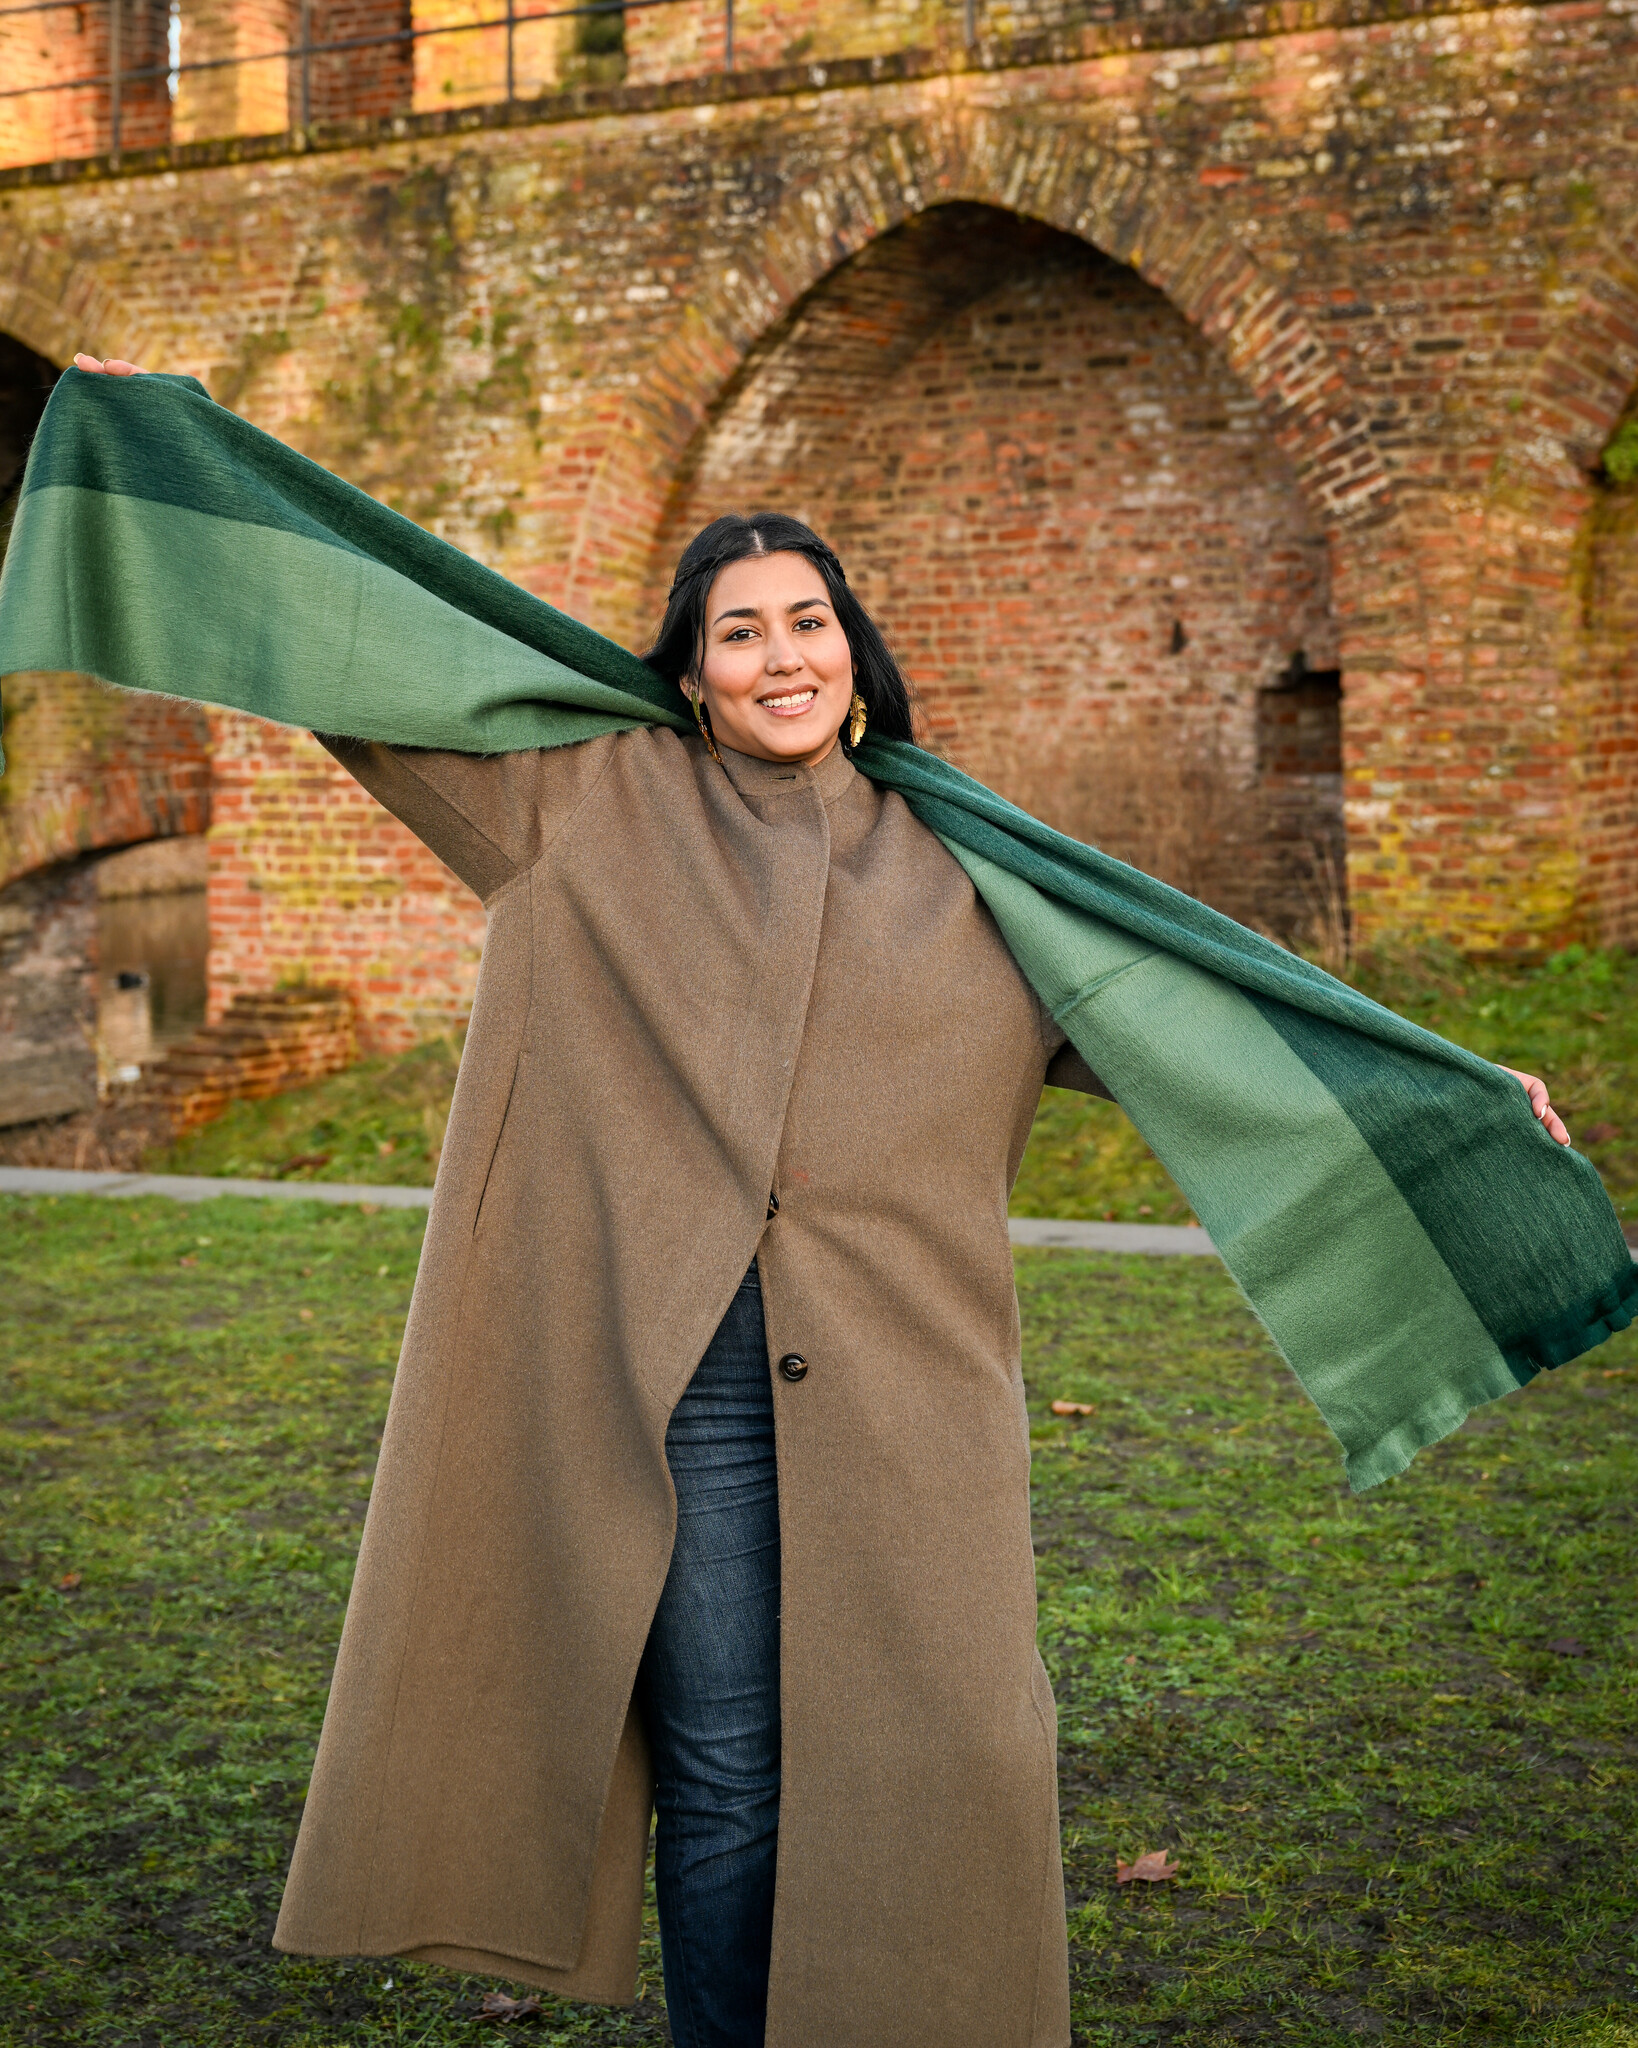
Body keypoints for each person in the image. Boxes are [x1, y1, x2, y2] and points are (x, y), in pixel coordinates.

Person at [67, 355, 1573, 2048]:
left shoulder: (980, 876)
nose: (780, 654)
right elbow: (376, 648)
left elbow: (1203, 1020)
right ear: (690, 674)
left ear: (853, 654)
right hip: (675, 1390)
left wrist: (1451, 1090)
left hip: (908, 1392)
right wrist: (166, 437)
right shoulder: (578, 804)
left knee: (940, 1758)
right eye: (739, 632)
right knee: (726, 1769)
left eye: (808, 622)